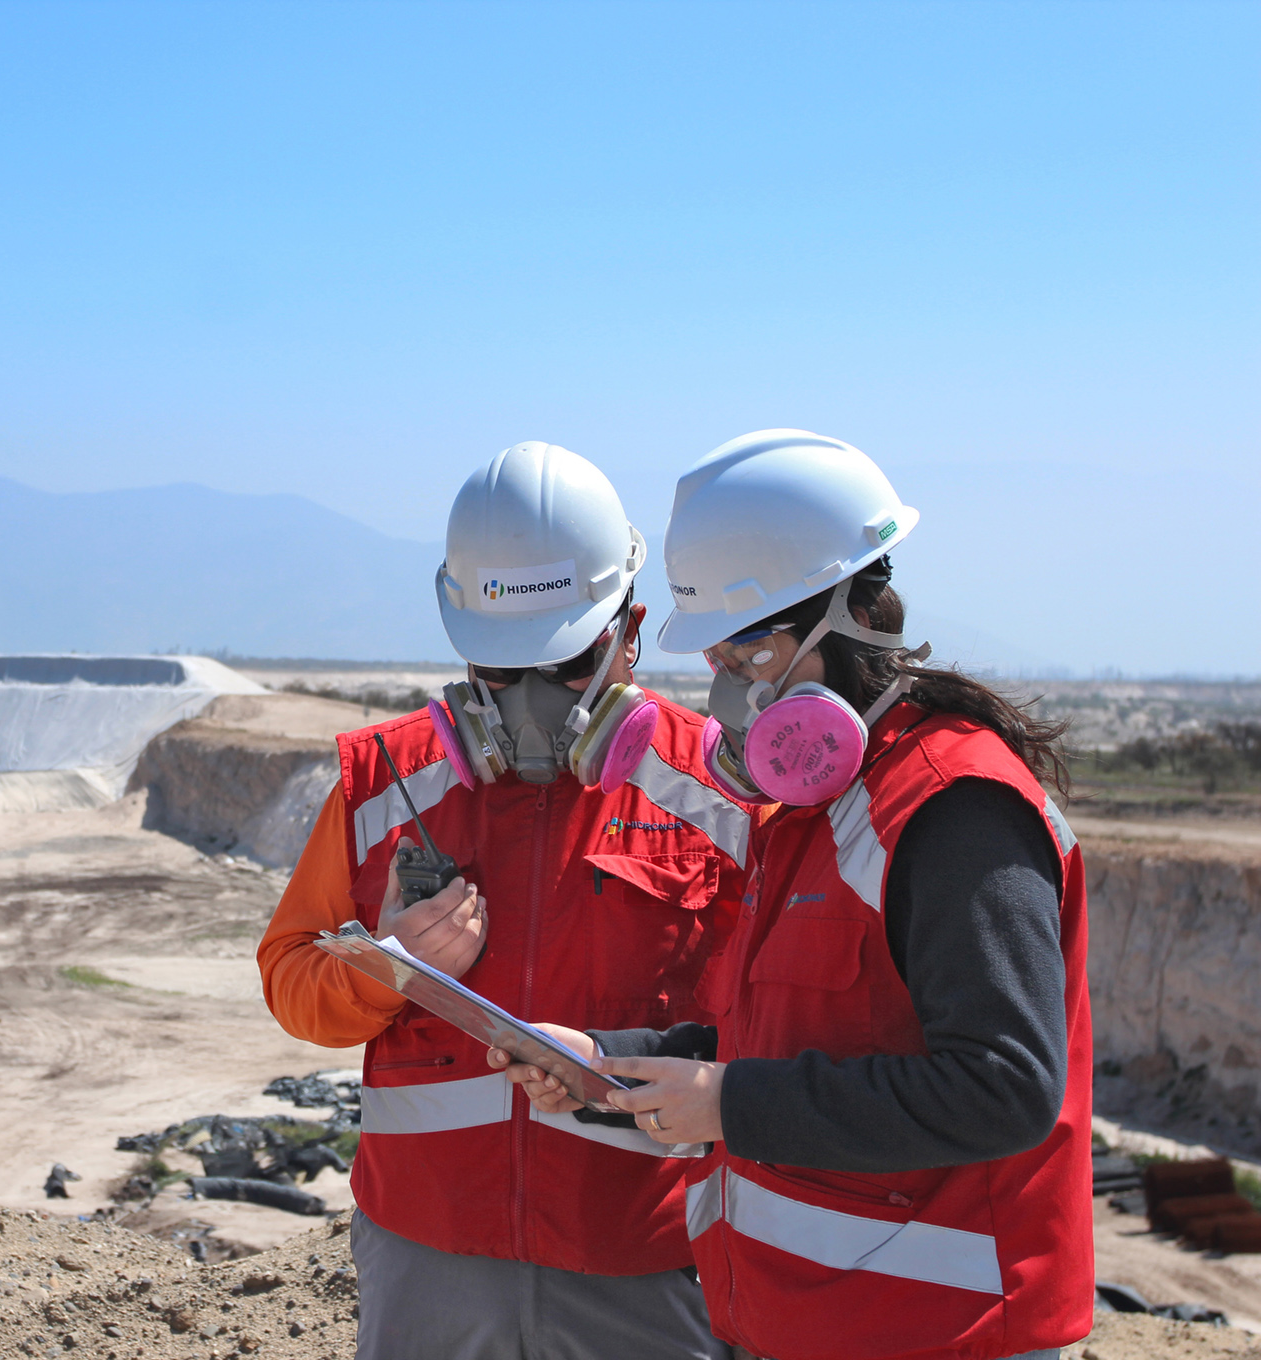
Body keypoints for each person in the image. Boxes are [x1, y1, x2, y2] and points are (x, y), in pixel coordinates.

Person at [495, 429, 1092, 1360]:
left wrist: (731, 1105)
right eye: (717, 660)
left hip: (939, 1332)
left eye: (747, 653)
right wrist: (610, 1062)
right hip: (808, 1324)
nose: (726, 689)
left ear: (846, 620)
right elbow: (778, 1044)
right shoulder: (819, 809)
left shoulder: (954, 812)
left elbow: (1005, 1088)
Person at [258, 442, 755, 1360]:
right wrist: (388, 974)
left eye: (564, 665)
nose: (529, 703)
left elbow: (776, 1026)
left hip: (647, 1258)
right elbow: (291, 979)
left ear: (630, 630)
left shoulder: (721, 796)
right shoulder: (382, 784)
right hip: (427, 1257)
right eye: (499, 671)